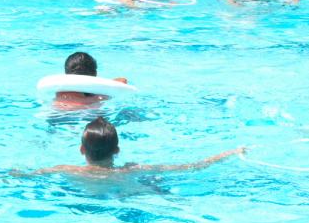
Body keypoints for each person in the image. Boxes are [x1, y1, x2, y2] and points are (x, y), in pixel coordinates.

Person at [28, 117, 244, 176]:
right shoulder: (131, 169)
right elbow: (192, 166)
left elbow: (28, 175)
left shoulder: (67, 170)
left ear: (81, 149)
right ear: (117, 151)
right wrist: (230, 153)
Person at [52, 51, 128, 107]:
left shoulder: (61, 89)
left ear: (66, 73)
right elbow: (122, 81)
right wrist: (99, 97)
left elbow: (122, 80)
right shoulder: (66, 91)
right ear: (95, 73)